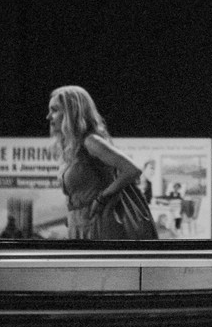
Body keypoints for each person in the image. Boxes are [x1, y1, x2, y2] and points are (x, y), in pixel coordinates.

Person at [48, 85, 143, 239]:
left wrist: (102, 198)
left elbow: (132, 170)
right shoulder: (73, 147)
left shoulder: (91, 141)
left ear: (72, 112)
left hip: (97, 224)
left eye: (55, 110)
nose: (49, 116)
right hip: (79, 225)